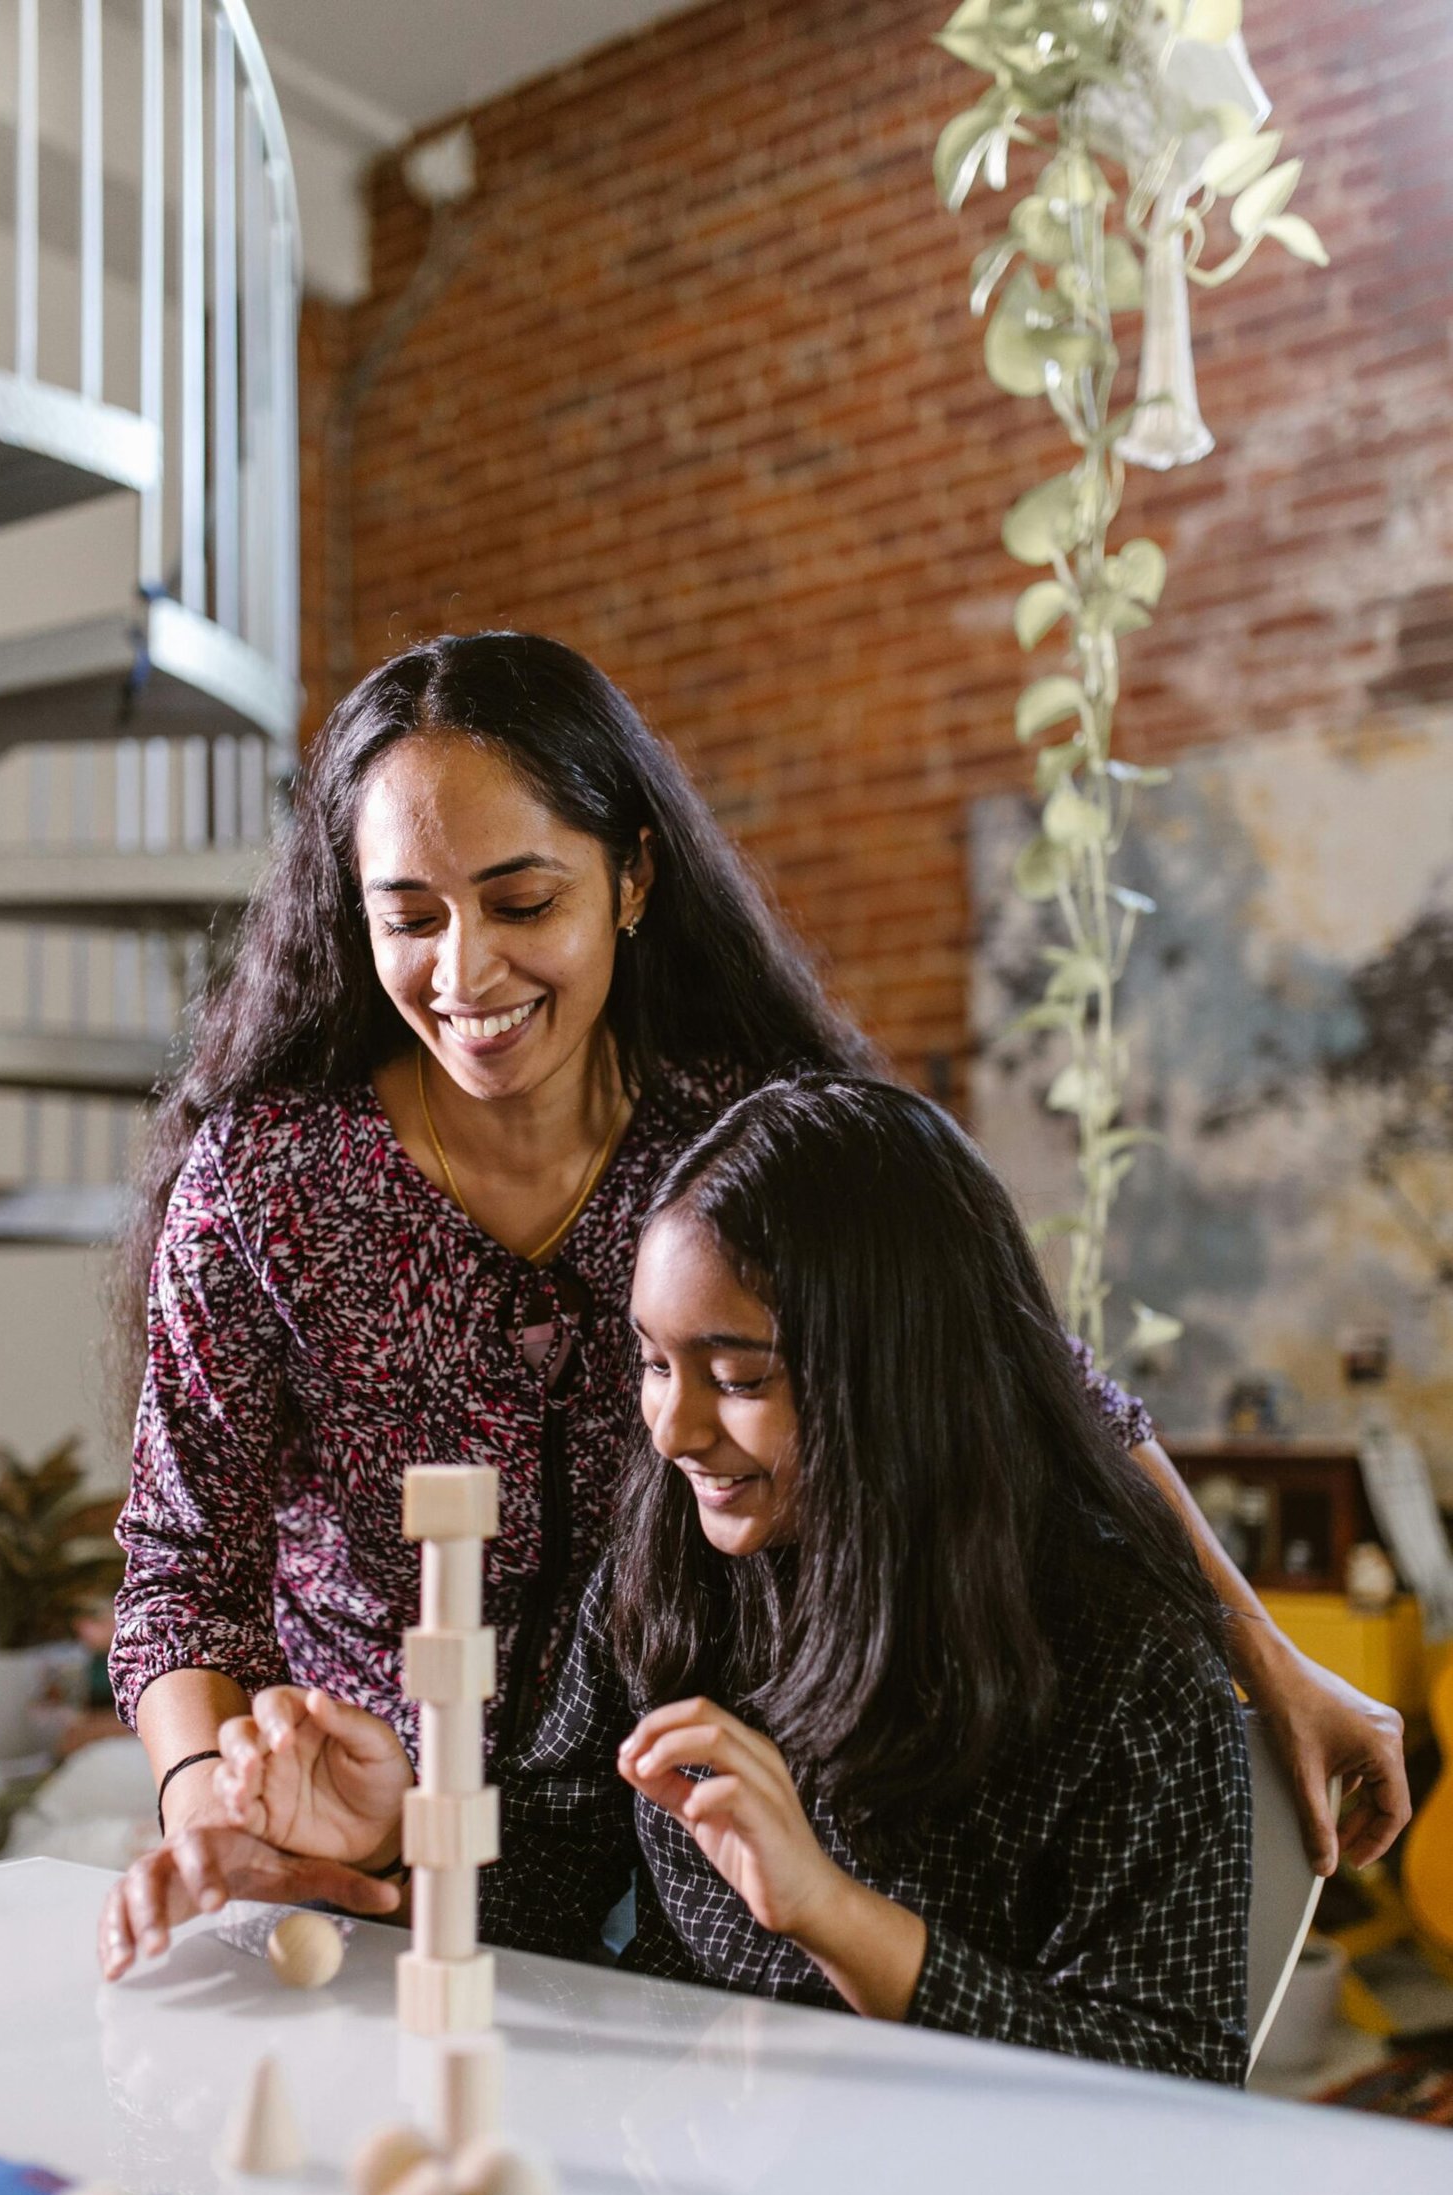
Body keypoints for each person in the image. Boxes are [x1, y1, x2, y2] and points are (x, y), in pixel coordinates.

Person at [99, 633, 1407, 1979]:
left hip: (716, 1849)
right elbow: (182, 1573)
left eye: (521, 902)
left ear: (631, 877)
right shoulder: (267, 1185)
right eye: (410, 916)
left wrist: (1271, 1659)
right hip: (401, 1857)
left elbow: (1024, 1382)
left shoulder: (736, 1136)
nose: (464, 972)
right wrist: (212, 1803)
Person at [146, 1078, 1253, 2083]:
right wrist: (399, 1841)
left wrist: (832, 1915)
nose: (672, 1429)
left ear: (904, 1370)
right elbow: (548, 1868)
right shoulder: (672, 1573)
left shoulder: (1131, 1673)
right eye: (652, 1363)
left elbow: (1174, 2093)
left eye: (737, 1377)